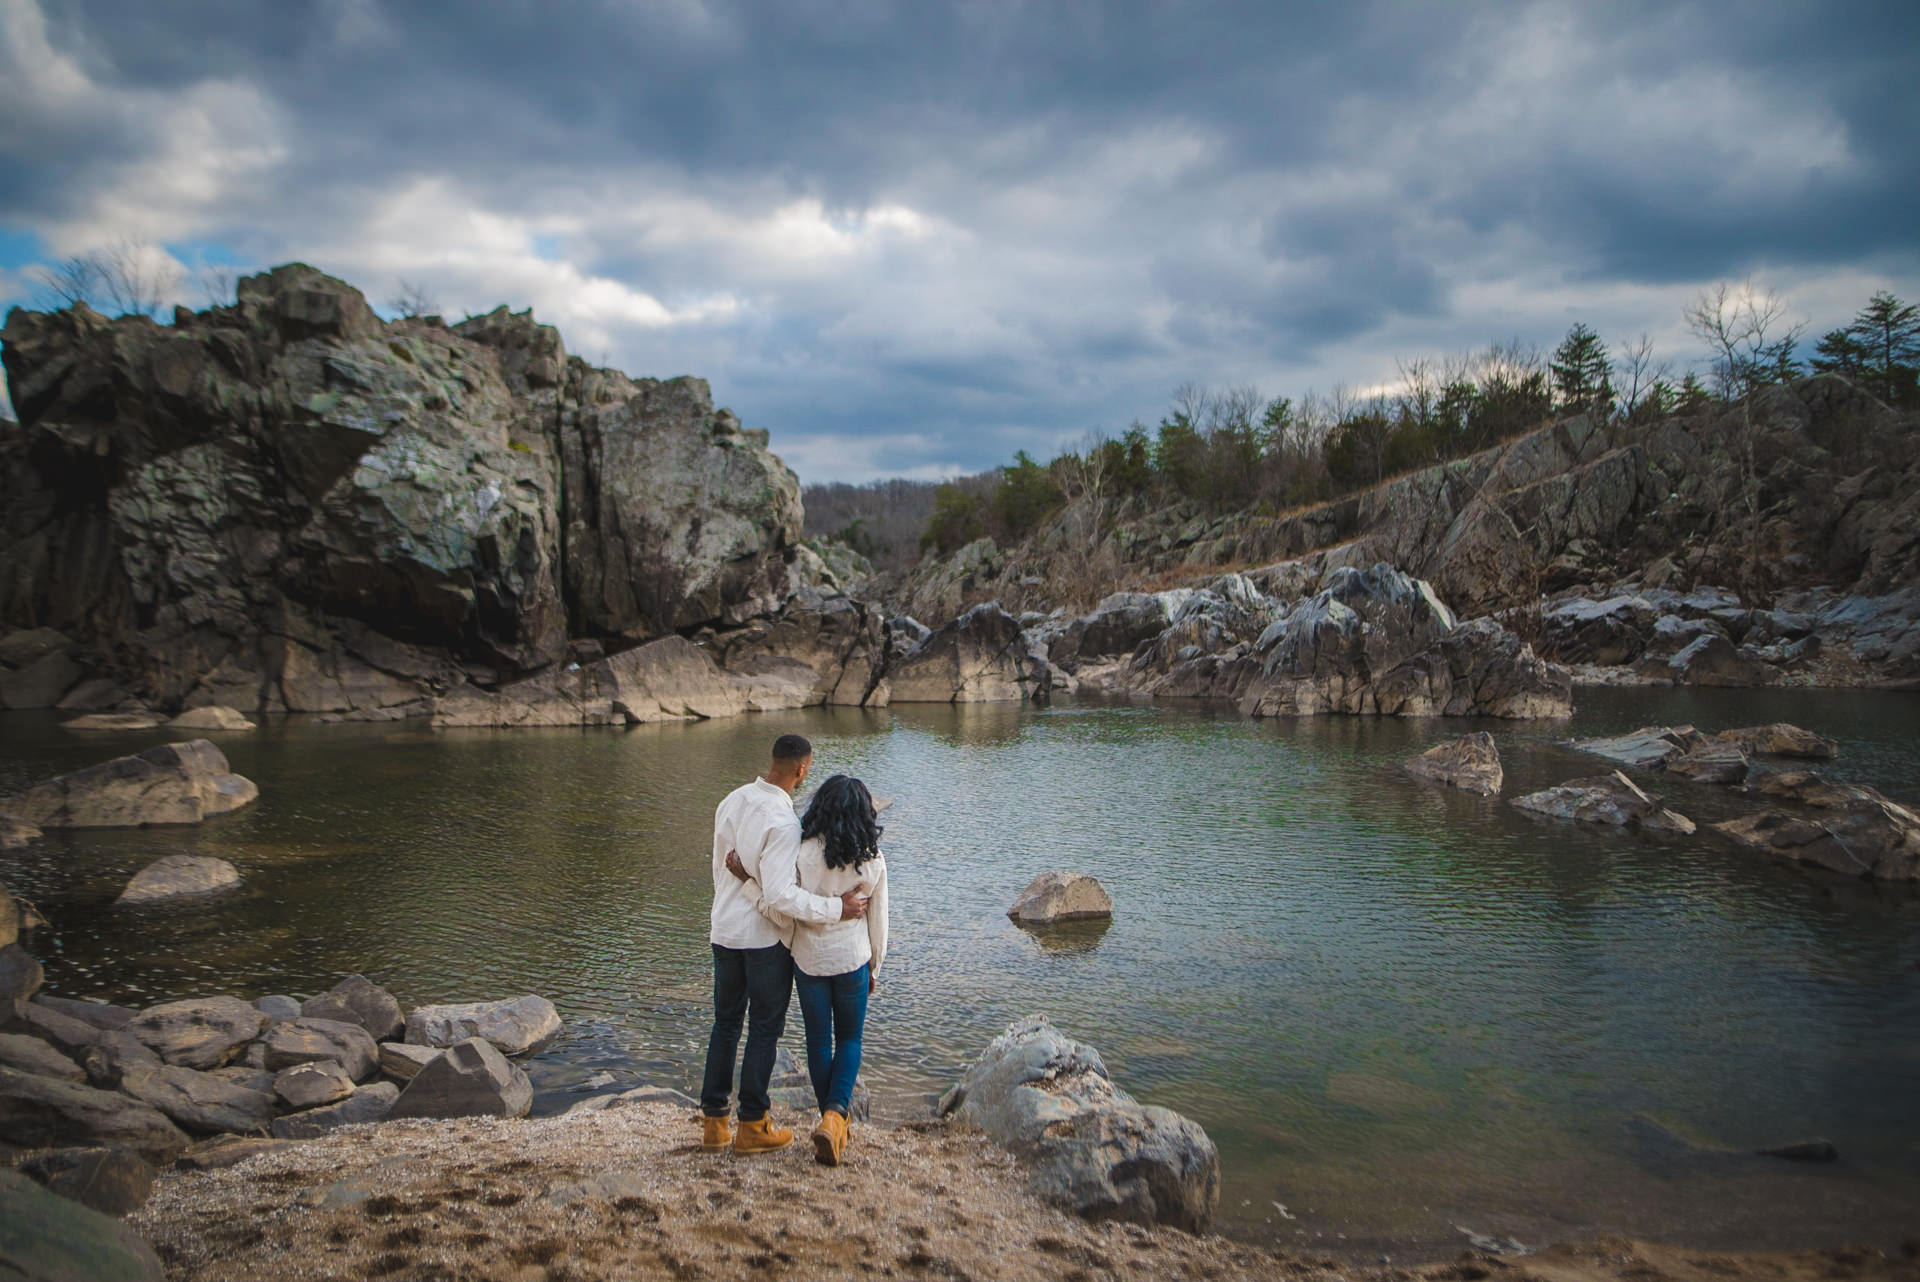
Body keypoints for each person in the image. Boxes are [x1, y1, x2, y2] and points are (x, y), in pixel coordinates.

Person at [700, 734, 869, 1156]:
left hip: (724, 930)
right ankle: (753, 1124)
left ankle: (714, 1123)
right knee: (763, 1029)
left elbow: (720, 870)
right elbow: (780, 896)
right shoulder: (783, 821)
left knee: (725, 1025)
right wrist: (836, 909)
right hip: (762, 939)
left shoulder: (731, 801)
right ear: (803, 769)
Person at [727, 772, 888, 1166]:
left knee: (818, 1042)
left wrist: (748, 881)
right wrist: (875, 967)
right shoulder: (872, 859)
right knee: (849, 1040)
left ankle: (829, 1122)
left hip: (809, 961)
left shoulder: (801, 854)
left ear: (821, 806)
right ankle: (835, 1119)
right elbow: (879, 920)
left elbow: (779, 904)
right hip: (851, 957)